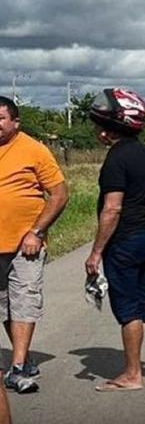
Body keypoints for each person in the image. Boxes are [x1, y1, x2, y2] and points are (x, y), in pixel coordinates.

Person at [84, 88, 145, 392]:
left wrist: (96, 252)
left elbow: (112, 208)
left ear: (107, 129)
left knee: (128, 310)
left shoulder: (116, 159)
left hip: (125, 243)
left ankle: (132, 375)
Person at [0, 96, 69, 394]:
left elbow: (59, 194)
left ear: (15, 122)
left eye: (0, 118)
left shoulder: (34, 150)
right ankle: (24, 359)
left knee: (25, 300)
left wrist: (37, 232)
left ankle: (17, 369)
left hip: (25, 244)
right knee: (5, 306)